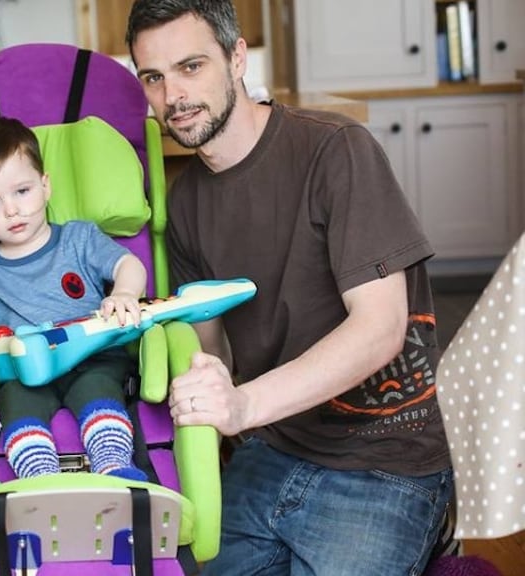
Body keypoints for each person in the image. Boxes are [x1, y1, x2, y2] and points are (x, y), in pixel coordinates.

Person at [125, 1, 452, 574]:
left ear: (236, 58)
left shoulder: (336, 149)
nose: (173, 95)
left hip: (385, 460)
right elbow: (212, 354)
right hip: (273, 450)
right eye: (154, 77)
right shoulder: (185, 203)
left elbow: (380, 330)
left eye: (191, 66)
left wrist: (245, 403)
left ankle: (437, 538)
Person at [0, 117, 149, 482]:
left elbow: (129, 264)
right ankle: (39, 481)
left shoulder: (79, 238)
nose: (11, 210)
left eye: (22, 191)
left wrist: (123, 293)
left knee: (97, 389)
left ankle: (114, 465)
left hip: (90, 356)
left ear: (45, 187)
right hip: (23, 370)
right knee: (16, 406)